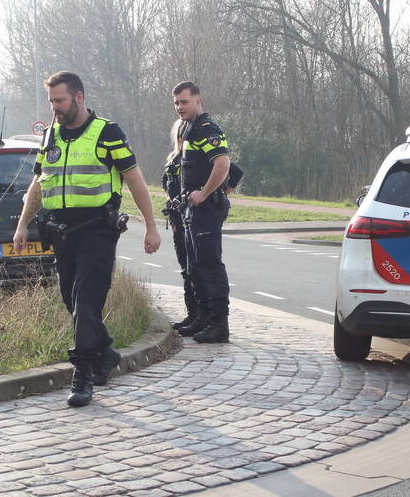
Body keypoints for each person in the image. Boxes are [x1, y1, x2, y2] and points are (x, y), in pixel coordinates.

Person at [14, 71, 161, 407]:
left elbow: (135, 180)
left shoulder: (106, 132)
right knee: (70, 298)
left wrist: (151, 227)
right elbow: (38, 183)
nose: (55, 108)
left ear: (79, 97)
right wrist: (22, 225)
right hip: (61, 232)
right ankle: (105, 351)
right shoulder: (51, 134)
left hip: (96, 230)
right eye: (52, 101)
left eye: (60, 100)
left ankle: (83, 376)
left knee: (86, 302)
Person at [163, 120, 243, 332]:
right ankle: (196, 314)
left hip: (199, 213)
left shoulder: (200, 153)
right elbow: (171, 188)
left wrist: (216, 193)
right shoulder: (174, 158)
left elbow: (232, 170)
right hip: (180, 218)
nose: (182, 136)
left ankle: (211, 319)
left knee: (206, 265)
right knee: (188, 269)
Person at [170, 81, 233, 343]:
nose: (179, 107)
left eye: (184, 102)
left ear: (198, 100)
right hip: (192, 211)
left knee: (209, 266)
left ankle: (219, 325)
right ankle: (203, 319)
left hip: (206, 208)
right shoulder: (189, 129)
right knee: (195, 266)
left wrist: (204, 192)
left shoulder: (207, 129)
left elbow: (223, 163)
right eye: (176, 103)